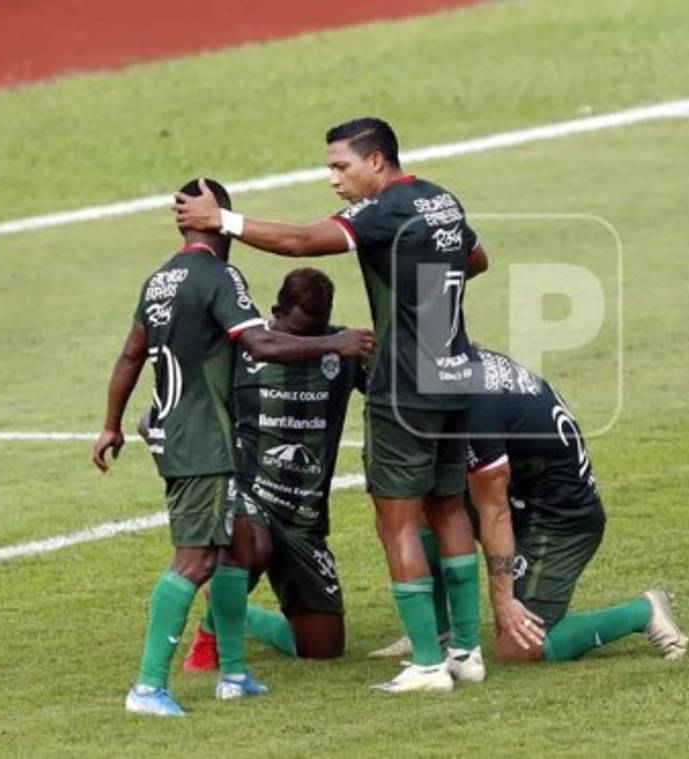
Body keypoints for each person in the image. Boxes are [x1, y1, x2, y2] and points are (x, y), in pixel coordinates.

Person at [175, 117, 489, 692]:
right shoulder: (443, 201)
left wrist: (220, 220)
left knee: (397, 521)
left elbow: (299, 241)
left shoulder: (385, 209)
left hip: (406, 387)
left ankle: (425, 664)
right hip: (454, 376)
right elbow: (476, 261)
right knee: (448, 509)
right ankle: (466, 652)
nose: (332, 178)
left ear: (377, 162)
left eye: (340, 165)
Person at [92, 178, 374, 718]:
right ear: (217, 216)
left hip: (181, 433)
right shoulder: (219, 276)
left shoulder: (159, 281)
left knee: (232, 550)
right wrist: (335, 343)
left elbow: (131, 356)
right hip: (203, 440)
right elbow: (262, 342)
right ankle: (147, 687)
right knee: (194, 559)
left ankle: (235, 673)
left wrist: (111, 425)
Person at [381, 348, 689, 663]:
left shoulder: (475, 411)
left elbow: (495, 512)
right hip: (526, 499)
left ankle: (644, 611)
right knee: (417, 504)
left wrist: (502, 601)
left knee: (520, 647)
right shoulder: (460, 365)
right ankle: (437, 633)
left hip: (561, 523)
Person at [174, 267, 366, 668]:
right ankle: (211, 640)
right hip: (249, 496)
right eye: (297, 333)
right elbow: (186, 404)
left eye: (317, 333)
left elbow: (397, 391)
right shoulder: (240, 347)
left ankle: (236, 613)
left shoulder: (344, 351)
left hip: (304, 518)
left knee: (323, 650)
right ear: (275, 312)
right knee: (252, 545)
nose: (308, 343)